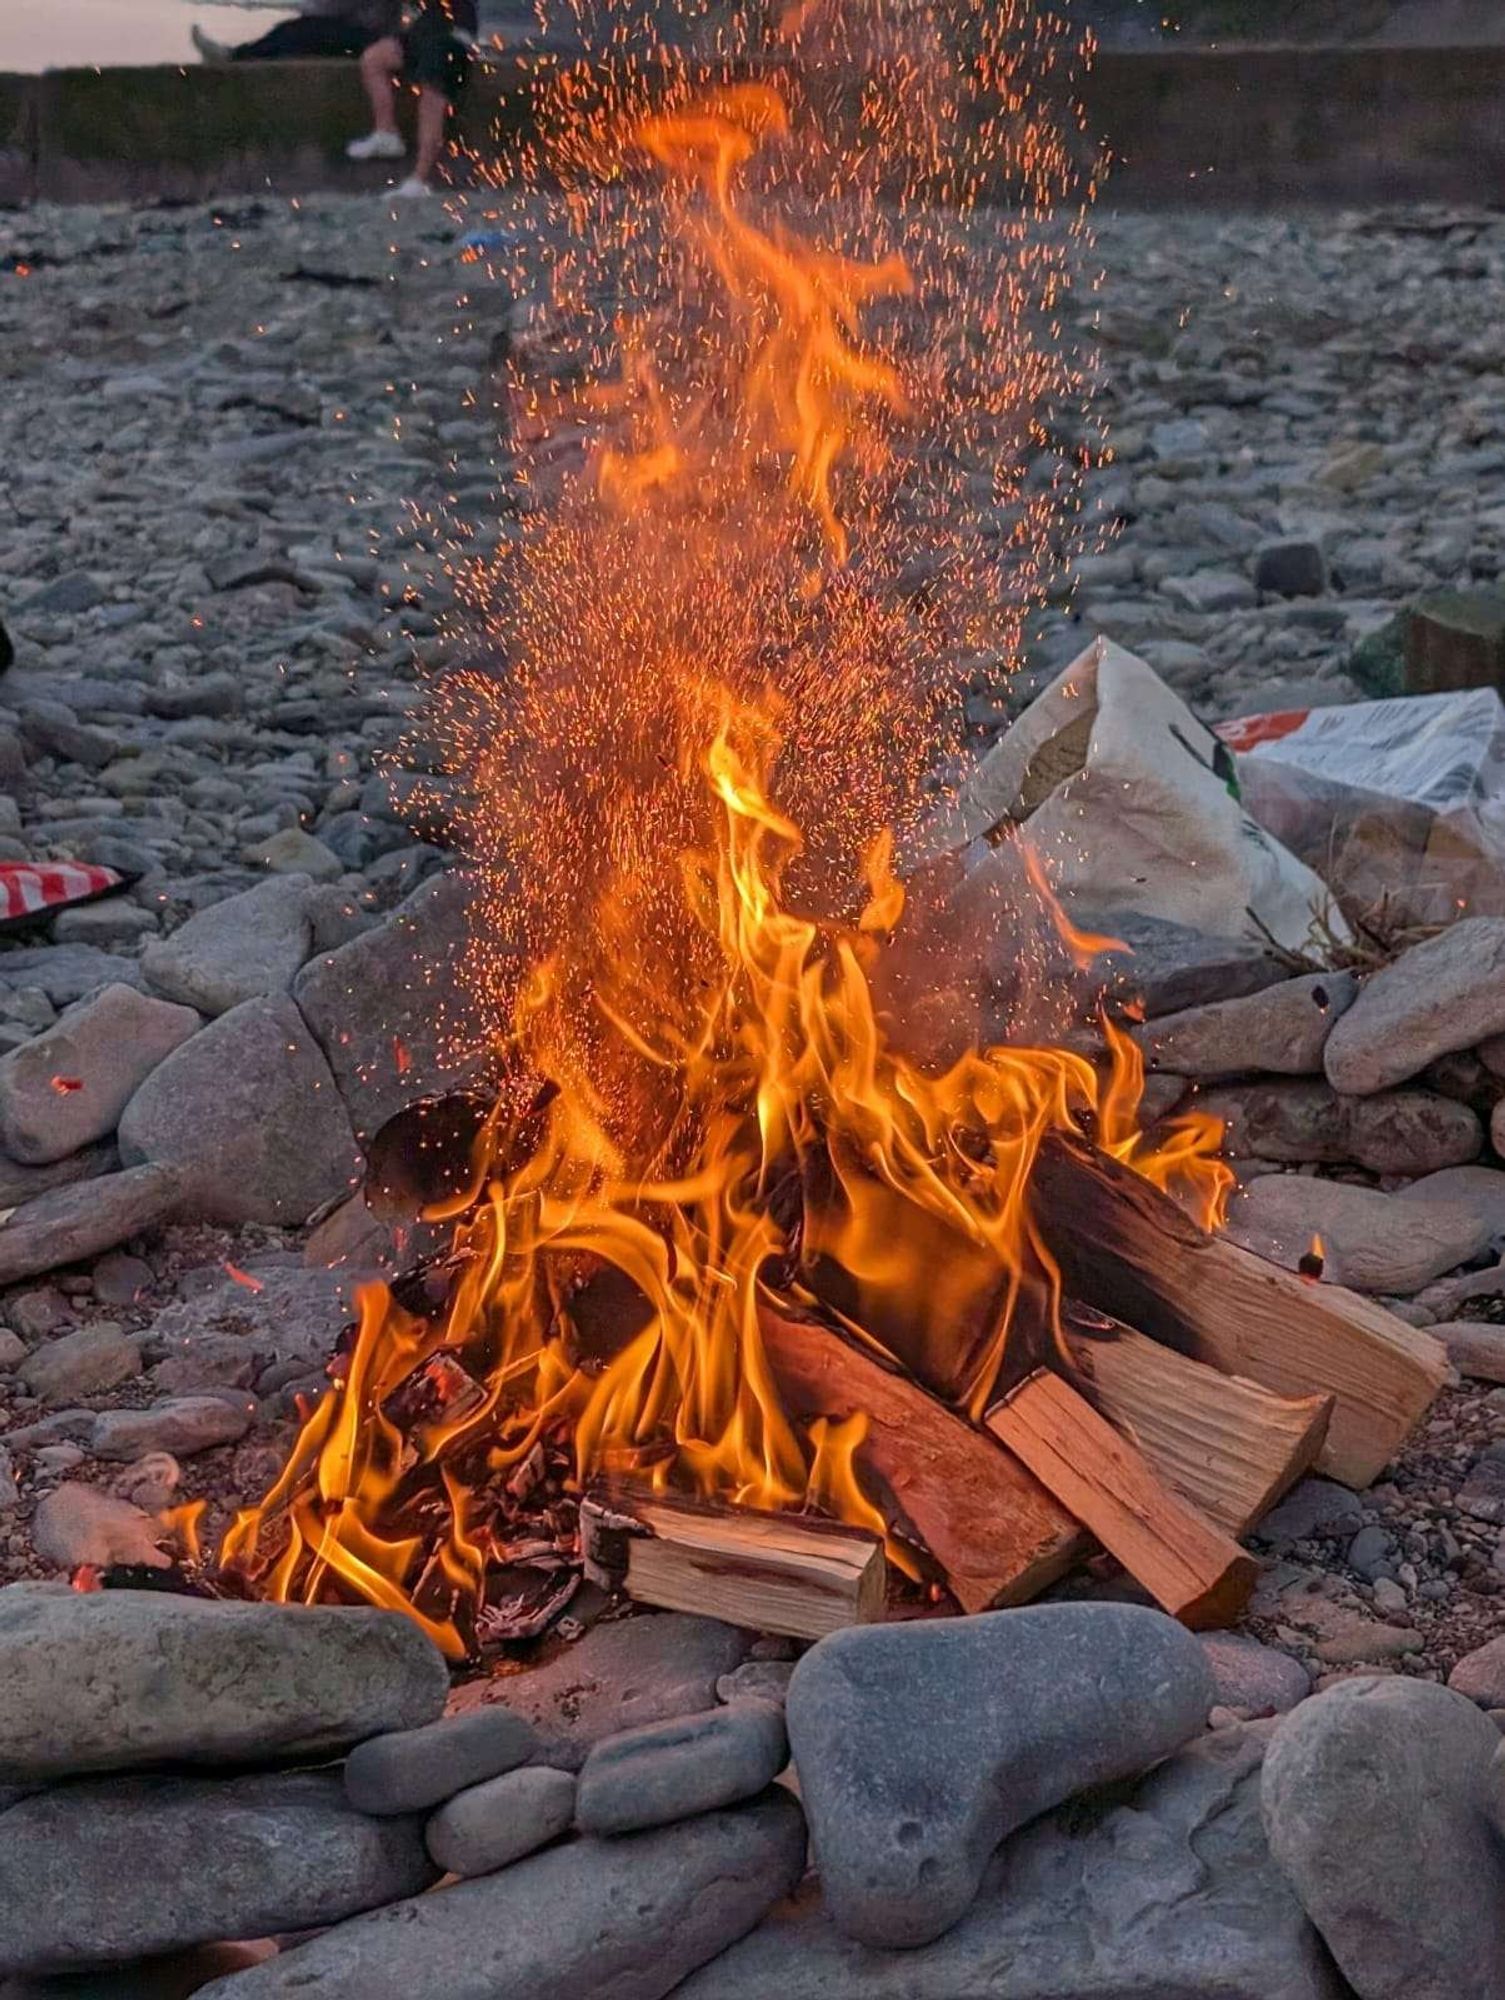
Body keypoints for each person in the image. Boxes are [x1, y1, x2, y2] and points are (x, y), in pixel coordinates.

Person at [345, 0, 478, 199]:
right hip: (423, 29)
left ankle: (419, 179)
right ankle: (386, 133)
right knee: (374, 59)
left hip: (451, 35)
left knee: (432, 96)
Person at [192, 0, 402, 65]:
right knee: (290, 33)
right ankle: (237, 55)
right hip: (360, 31)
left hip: (370, 37)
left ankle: (235, 56)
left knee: (297, 33)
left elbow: (335, 8)